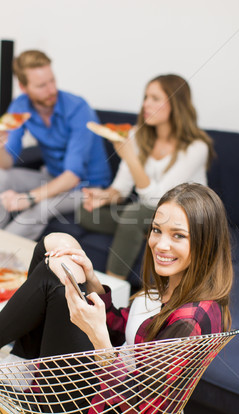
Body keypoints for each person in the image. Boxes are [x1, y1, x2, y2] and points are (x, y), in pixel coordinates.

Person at [0, 182, 232, 375]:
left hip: (91, 412)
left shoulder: (192, 319)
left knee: (56, 273)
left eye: (178, 236)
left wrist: (99, 338)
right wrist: (92, 281)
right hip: (98, 378)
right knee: (56, 242)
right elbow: (125, 331)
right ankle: (18, 358)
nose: (160, 245)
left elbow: (138, 402)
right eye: (157, 230)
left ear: (206, 242)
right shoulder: (172, 286)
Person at [79, 74, 214, 280]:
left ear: (176, 104)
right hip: (147, 212)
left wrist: (131, 158)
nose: (146, 104)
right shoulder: (136, 135)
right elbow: (121, 189)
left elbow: (159, 201)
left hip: (183, 216)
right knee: (86, 212)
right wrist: (103, 196)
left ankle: (112, 288)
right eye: (145, 97)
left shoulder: (196, 147)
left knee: (134, 214)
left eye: (155, 98)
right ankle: (147, 230)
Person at [0, 50, 111, 239]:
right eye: (41, 85)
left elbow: (72, 177)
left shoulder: (78, 108)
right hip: (51, 177)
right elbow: (5, 164)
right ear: (24, 87)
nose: (51, 90)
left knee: (42, 206)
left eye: (52, 81)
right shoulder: (20, 106)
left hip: (86, 187)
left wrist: (28, 198)